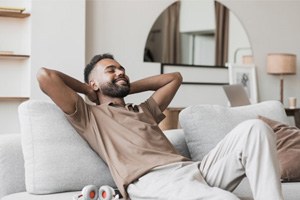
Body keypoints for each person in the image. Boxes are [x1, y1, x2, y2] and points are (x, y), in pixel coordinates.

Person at [37, 54, 284, 200]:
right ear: (93, 82)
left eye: (122, 69)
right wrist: (89, 90)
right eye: (111, 70)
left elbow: (174, 78)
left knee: (255, 129)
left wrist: (121, 83)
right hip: (152, 180)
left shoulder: (143, 111)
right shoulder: (90, 116)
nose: (120, 71)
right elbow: (45, 76)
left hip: (194, 170)